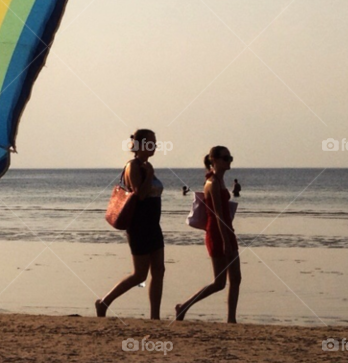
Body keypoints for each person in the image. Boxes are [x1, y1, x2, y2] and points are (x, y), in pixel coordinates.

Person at [96, 129, 165, 320]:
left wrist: (150, 172)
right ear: (142, 145)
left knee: (159, 270)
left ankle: (155, 316)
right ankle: (104, 302)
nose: (155, 145)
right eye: (152, 142)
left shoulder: (146, 165)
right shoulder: (133, 166)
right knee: (140, 275)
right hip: (139, 226)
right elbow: (140, 195)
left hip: (153, 225)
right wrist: (149, 175)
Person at [175, 146, 241, 323]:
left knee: (236, 278)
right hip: (218, 233)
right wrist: (226, 241)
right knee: (219, 283)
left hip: (227, 231)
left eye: (230, 158)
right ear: (214, 160)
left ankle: (231, 319)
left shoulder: (220, 181)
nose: (229, 161)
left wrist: (229, 236)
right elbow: (218, 213)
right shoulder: (212, 183)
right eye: (226, 158)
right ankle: (184, 306)